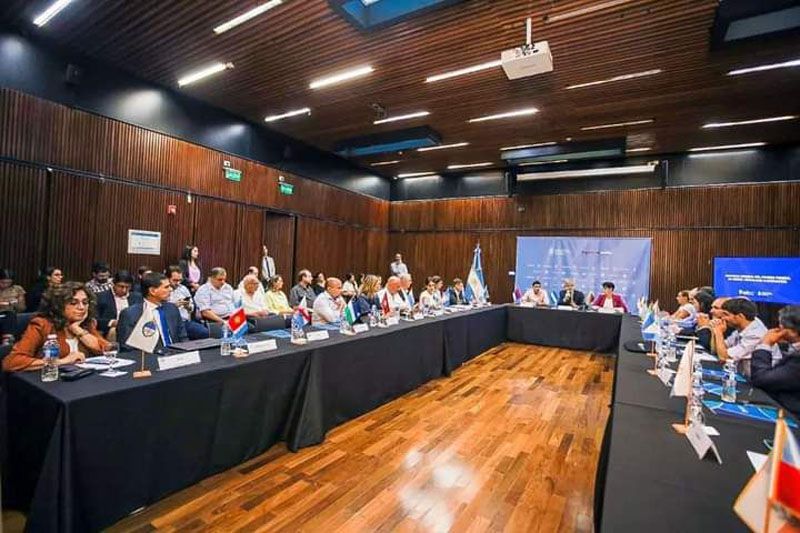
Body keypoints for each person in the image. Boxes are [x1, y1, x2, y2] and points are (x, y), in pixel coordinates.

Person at [3, 281, 109, 372]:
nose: (81, 307)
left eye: (85, 303)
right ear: (59, 306)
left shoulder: (84, 324)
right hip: (50, 382)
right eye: (73, 303)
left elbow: (107, 351)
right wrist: (62, 361)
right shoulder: (42, 324)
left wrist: (77, 329)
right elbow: (12, 362)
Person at [750, 305, 800, 418]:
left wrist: (765, 344)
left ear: (792, 331)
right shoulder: (794, 350)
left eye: (780, 326)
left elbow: (761, 379)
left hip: (790, 416)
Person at [118, 272, 187, 350]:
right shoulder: (130, 314)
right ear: (152, 291)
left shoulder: (172, 308)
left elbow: (183, 338)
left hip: (176, 354)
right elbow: (127, 348)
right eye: (166, 287)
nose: (171, 289)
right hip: (149, 356)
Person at [713, 297, 768, 376]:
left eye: (726, 314)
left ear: (740, 316)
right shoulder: (742, 327)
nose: (722, 318)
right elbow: (716, 349)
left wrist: (718, 332)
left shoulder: (756, 334)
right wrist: (714, 330)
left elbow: (724, 358)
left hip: (757, 381)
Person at [96, 270, 143, 340]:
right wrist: (112, 322)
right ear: (113, 284)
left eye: (127, 287)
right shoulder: (101, 297)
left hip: (133, 329)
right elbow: (95, 320)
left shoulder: (137, 298)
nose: (124, 290)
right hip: (111, 330)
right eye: (121, 286)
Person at [166, 266, 208, 340]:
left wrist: (188, 306)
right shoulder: (163, 291)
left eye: (180, 280)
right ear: (167, 278)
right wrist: (174, 306)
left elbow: (192, 308)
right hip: (170, 323)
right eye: (175, 280)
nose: (178, 283)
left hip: (185, 322)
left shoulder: (183, 288)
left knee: (205, 332)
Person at [0, 268, 26, 344]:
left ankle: (7, 341)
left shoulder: (17, 289)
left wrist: (17, 303)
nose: (5, 285)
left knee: (10, 315)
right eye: (3, 282)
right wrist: (5, 304)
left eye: (8, 283)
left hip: (11, 315)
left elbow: (22, 308)